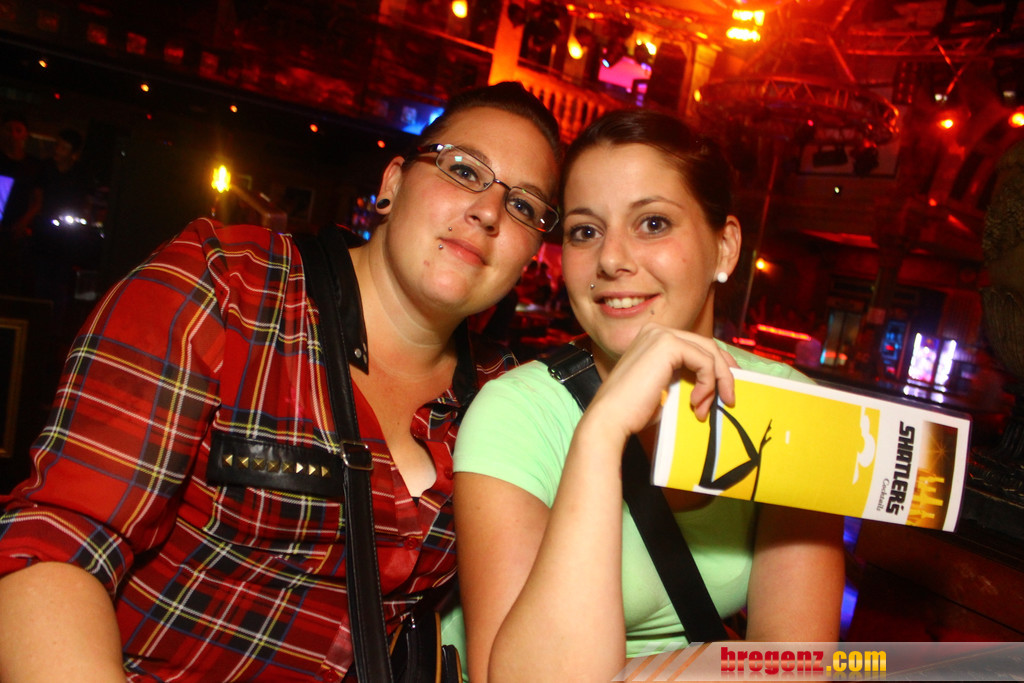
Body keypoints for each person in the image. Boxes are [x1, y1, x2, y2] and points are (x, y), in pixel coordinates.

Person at [0, 81, 561, 682]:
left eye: (524, 206)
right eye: (464, 170)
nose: (489, 211)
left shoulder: (509, 399)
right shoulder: (226, 287)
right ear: (393, 183)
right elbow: (54, 547)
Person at [450, 108, 845, 681]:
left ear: (725, 248)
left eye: (653, 223)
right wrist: (602, 433)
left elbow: (793, 666)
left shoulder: (791, 410)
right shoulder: (516, 414)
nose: (611, 259)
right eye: (585, 231)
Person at [0, 110, 43, 295]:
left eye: (18, 130)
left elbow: (37, 200)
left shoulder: (33, 165)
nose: (13, 135)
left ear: (26, 134)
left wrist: (23, 222)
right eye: (8, 129)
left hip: (19, 230)